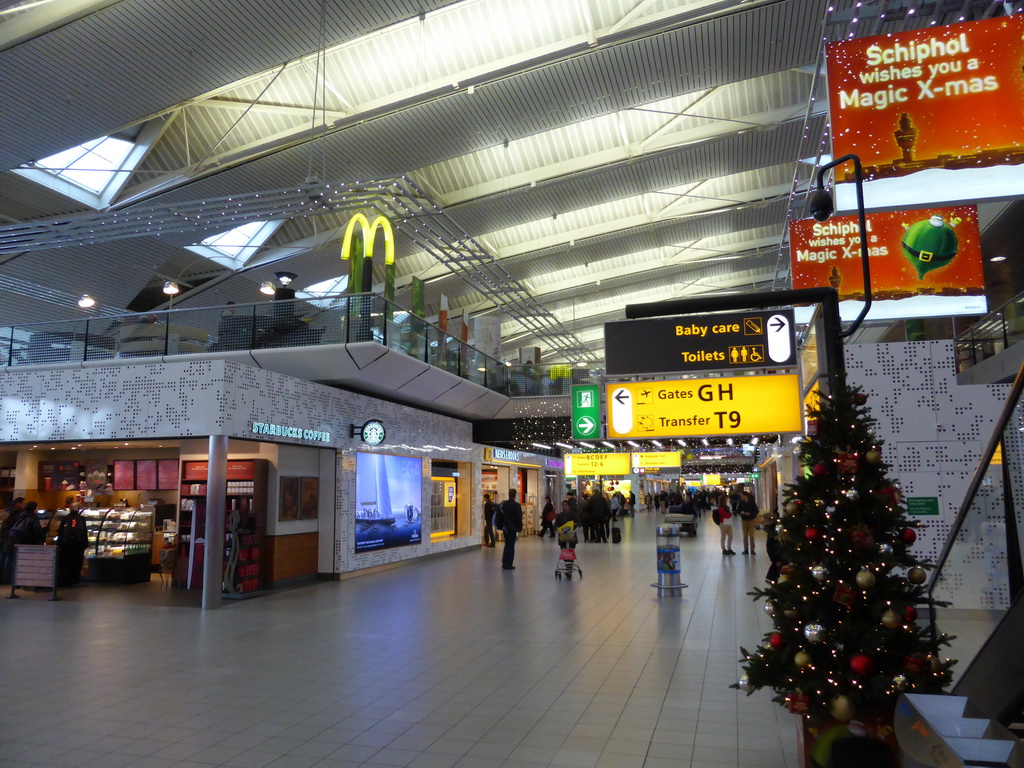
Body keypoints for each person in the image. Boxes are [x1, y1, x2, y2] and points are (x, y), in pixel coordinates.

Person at [56, 504, 89, 586]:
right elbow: (84, 531)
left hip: (66, 544)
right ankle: (74, 579)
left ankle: (65, 579)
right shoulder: (81, 519)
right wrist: (85, 543)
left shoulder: (65, 518)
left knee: (66, 562)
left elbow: (60, 531)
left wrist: (59, 542)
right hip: (78, 544)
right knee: (76, 562)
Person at [0, 496, 25, 584]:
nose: (23, 505)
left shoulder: (6, 511)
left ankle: (2, 578)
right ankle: (7, 579)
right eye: (22, 503)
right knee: (10, 558)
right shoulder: (17, 513)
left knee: (3, 557)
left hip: (3, 537)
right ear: (18, 503)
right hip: (11, 538)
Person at [499, 489, 523, 570]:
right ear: (515, 495)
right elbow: (519, 517)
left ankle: (504, 562)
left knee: (507, 544)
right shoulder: (517, 505)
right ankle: (509, 563)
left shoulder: (504, 504)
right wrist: (519, 528)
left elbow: (500, 514)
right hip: (513, 528)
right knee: (511, 546)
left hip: (505, 527)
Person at [738, 490, 760, 555]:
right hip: (744, 520)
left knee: (751, 535)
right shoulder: (741, 503)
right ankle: (746, 549)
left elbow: (756, 511)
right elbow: (737, 510)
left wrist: (750, 514)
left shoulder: (752, 503)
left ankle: (752, 549)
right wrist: (741, 512)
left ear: (746, 496)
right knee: (745, 535)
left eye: (742, 496)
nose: (741, 497)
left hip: (751, 520)